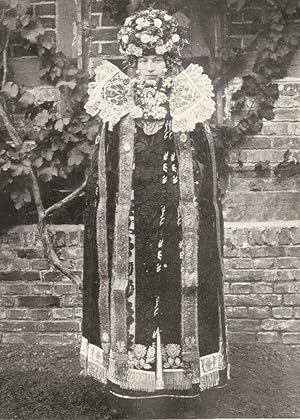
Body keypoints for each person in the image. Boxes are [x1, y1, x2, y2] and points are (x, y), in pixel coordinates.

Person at [80, 7, 229, 400]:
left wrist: (192, 199)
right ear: (133, 60)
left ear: (169, 60)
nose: (150, 68)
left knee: (177, 283)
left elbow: (203, 160)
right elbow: (105, 165)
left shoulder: (186, 99)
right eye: (143, 60)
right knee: (134, 284)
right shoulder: (117, 100)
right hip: (131, 219)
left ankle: (183, 372)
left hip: (177, 215)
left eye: (157, 60)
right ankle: (130, 372)